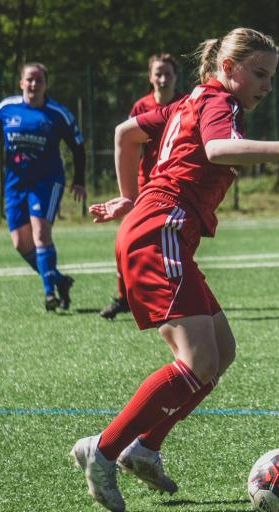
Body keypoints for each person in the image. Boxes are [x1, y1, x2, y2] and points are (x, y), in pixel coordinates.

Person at [71, 28, 279, 512]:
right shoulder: (219, 103)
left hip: (159, 227)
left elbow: (125, 134)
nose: (267, 86)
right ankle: (103, 450)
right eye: (259, 73)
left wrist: (129, 195)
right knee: (196, 363)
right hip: (161, 231)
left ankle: (145, 448)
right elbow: (217, 150)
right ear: (229, 68)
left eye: (271, 76)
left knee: (221, 352)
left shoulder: (186, 102)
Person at [0, 62, 86, 311]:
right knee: (20, 242)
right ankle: (59, 281)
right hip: (15, 184)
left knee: (41, 234)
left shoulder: (57, 114)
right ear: (21, 83)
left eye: (39, 80)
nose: (33, 84)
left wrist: (79, 180)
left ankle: (49, 293)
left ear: (45, 84)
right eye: (29, 79)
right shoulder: (7, 108)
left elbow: (78, 147)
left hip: (47, 182)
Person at [100, 53, 188, 320]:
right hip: (144, 185)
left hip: (173, 185)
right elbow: (128, 144)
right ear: (150, 77)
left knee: (168, 243)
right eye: (157, 74)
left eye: (168, 74)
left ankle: (172, 295)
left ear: (175, 77)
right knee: (126, 240)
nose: (163, 79)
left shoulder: (185, 104)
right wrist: (128, 192)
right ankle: (123, 297)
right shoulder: (141, 106)